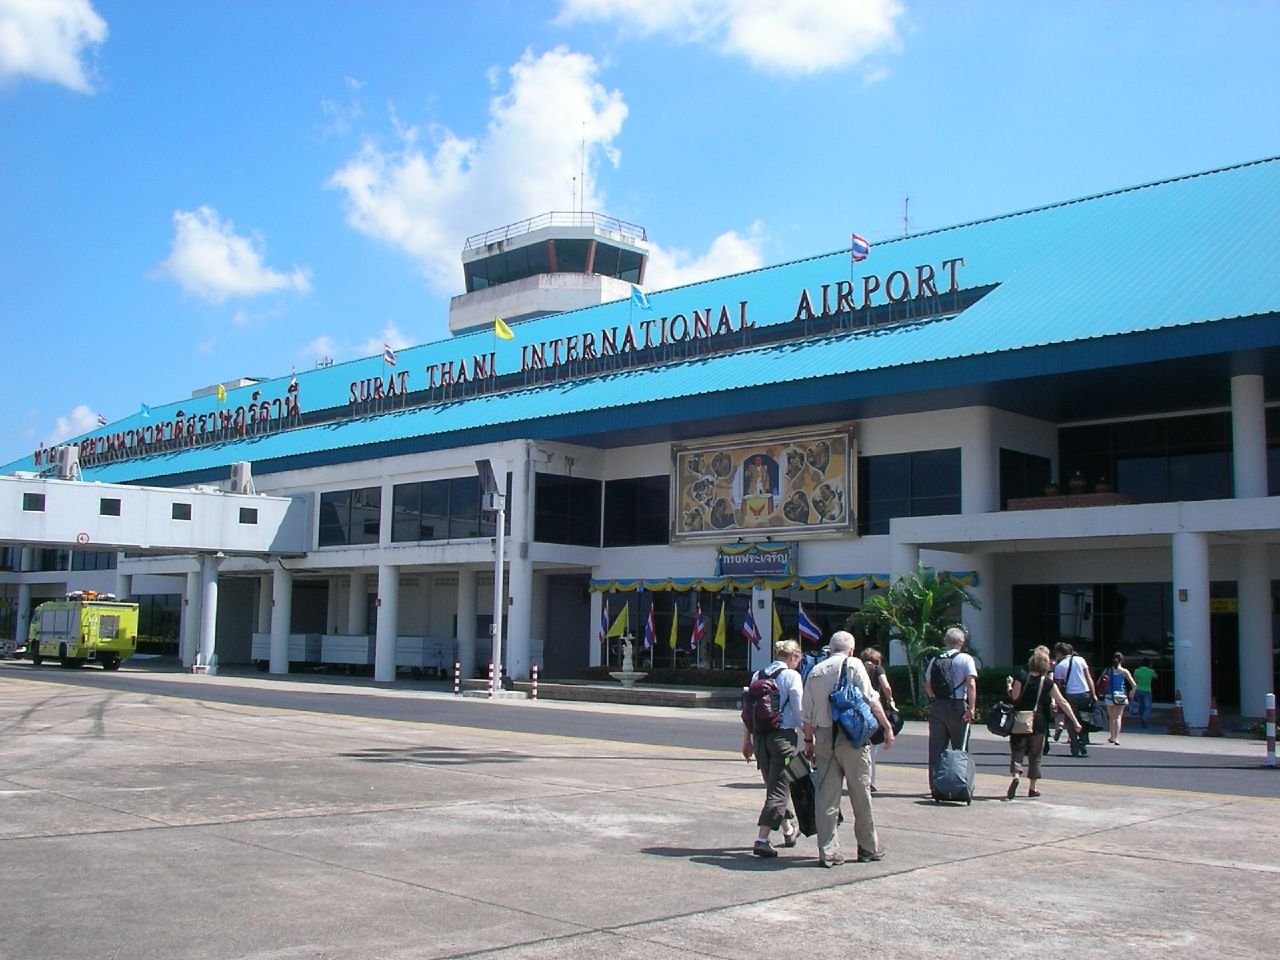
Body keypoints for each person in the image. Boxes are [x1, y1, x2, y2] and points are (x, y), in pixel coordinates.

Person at [802, 630, 895, 867]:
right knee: (860, 794)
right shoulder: (854, 665)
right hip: (851, 737)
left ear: (830, 648)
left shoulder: (815, 671)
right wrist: (886, 727)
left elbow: (807, 715)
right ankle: (867, 847)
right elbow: (871, 698)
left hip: (823, 737)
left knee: (826, 797)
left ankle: (828, 851)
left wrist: (809, 742)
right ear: (851, 650)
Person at [741, 639, 805, 857]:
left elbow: (748, 712)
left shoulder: (757, 675)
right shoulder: (791, 676)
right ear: (793, 657)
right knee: (779, 789)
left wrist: (747, 739)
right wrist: (808, 735)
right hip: (783, 739)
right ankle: (762, 839)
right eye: (799, 659)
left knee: (774, 787)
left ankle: (788, 831)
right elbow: (798, 709)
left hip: (760, 739)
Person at [1006, 646, 1082, 799]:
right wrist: (1075, 721)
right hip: (1039, 721)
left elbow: (1014, 697)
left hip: (1020, 720)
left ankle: (1016, 775)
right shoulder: (1047, 682)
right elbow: (1062, 701)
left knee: (1017, 751)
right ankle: (1032, 787)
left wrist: (1009, 685)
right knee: (1035, 755)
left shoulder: (1021, 676)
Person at [924, 626, 977, 784]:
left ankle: (935, 785)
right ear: (962, 642)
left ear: (945, 641)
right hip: (958, 705)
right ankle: (959, 782)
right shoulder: (966, 659)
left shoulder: (935, 659)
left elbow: (927, 683)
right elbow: (971, 684)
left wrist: (934, 698)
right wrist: (972, 708)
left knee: (936, 748)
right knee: (960, 747)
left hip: (938, 705)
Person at [860, 646, 894, 793]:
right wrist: (890, 698)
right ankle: (870, 781)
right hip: (875, 709)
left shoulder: (858, 668)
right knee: (873, 748)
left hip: (860, 710)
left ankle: (860, 778)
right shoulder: (877, 670)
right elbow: (886, 686)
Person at [1053, 642, 1097, 757]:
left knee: (1071, 720)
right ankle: (1083, 741)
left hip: (1071, 695)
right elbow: (1088, 677)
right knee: (1084, 718)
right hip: (1085, 693)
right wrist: (1094, 693)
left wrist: (1057, 700)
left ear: (1059, 653)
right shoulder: (1080, 660)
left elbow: (1057, 685)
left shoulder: (1059, 666)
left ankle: (1074, 746)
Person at [1097, 652, 1137, 744]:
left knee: (1111, 717)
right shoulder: (1124, 671)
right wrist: (1131, 693)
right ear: (1121, 660)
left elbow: (1099, 681)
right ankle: (1116, 738)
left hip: (1109, 695)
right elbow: (1134, 685)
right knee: (1118, 717)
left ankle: (1111, 736)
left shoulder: (1108, 670)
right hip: (1120, 695)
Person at [1131, 658, 1157, 727]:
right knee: (1148, 706)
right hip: (1147, 690)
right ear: (1149, 664)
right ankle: (1144, 719)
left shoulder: (1136, 671)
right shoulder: (1151, 671)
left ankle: (1141, 718)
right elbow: (1156, 676)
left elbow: (1135, 681)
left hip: (1138, 690)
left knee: (1141, 706)